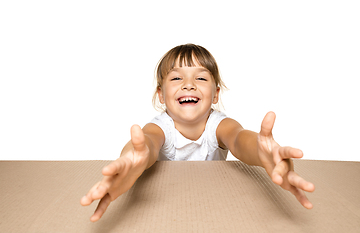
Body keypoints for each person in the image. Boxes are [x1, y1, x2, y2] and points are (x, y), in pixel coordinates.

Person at [80, 44, 315, 222]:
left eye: (201, 78)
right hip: (166, 209)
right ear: (161, 95)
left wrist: (262, 152)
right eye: (176, 78)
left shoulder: (218, 124)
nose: (189, 84)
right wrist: (131, 159)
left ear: (215, 95)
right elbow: (147, 143)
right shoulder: (161, 127)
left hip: (215, 208)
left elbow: (238, 138)